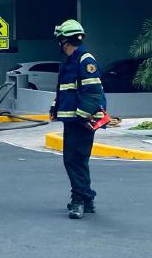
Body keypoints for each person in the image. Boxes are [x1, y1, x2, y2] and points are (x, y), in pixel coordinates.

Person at [51, 19, 106, 219]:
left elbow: (93, 92)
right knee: (77, 161)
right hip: (73, 120)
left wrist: (82, 116)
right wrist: (55, 107)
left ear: (65, 41)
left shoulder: (84, 60)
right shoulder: (72, 61)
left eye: (60, 40)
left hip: (80, 121)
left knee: (74, 160)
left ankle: (79, 200)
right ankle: (87, 199)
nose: (59, 43)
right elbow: (68, 91)